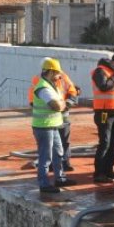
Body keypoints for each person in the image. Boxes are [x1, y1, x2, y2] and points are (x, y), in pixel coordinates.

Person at [30, 58, 77, 193]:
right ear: (50, 72)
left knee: (58, 152)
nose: (59, 76)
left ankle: (60, 178)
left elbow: (59, 103)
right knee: (46, 156)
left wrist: (63, 104)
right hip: (44, 127)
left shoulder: (51, 85)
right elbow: (56, 105)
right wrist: (65, 105)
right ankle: (44, 184)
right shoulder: (43, 87)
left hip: (53, 125)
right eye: (57, 73)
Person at [91, 50, 114, 183]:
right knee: (105, 143)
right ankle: (99, 173)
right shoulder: (100, 71)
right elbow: (103, 87)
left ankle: (109, 171)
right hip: (104, 113)